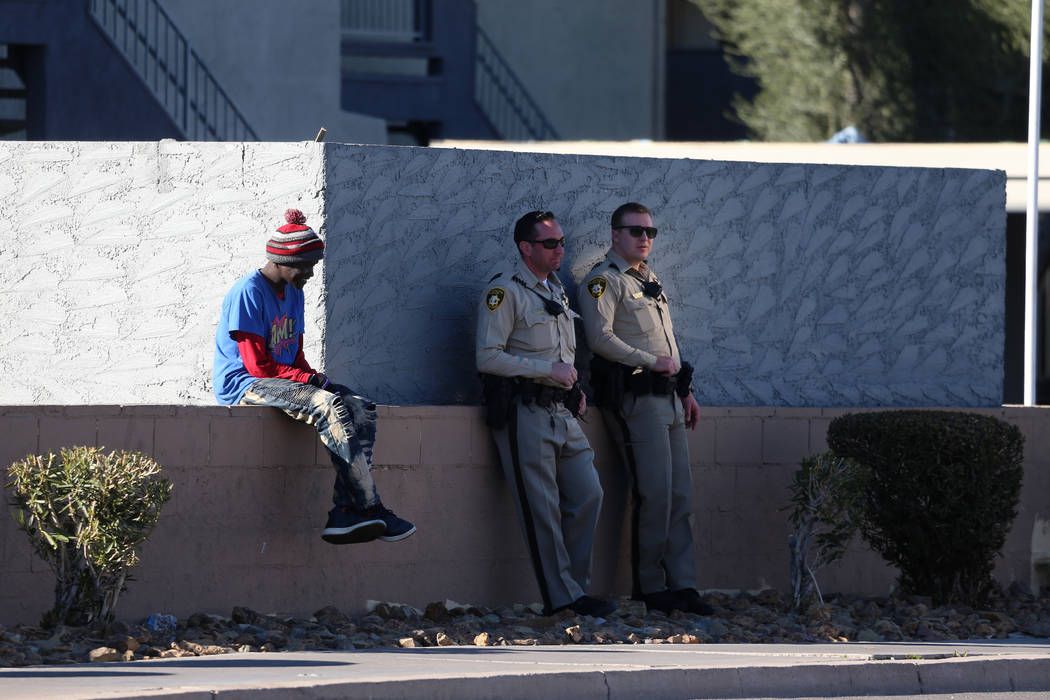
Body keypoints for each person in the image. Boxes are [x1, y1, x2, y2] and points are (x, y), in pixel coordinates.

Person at [213, 208, 415, 545]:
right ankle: (370, 506)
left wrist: (311, 376)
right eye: (304, 266)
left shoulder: (295, 291)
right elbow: (257, 366)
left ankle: (345, 511)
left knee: (360, 406)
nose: (309, 272)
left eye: (313, 265)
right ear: (280, 260)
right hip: (245, 384)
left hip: (281, 380)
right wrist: (310, 383)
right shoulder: (247, 292)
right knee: (326, 404)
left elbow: (293, 354)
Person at [476, 210, 615, 618]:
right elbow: (487, 356)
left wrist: (572, 387)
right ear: (526, 247)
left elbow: (560, 354)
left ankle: (575, 587)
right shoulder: (505, 292)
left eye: (562, 243)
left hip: (561, 410)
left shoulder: (555, 291)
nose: (560, 250)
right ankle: (563, 599)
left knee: (589, 494)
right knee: (541, 508)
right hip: (525, 412)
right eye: (550, 243)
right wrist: (546, 372)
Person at [577, 202, 711, 615]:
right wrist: (652, 363)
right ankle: (652, 586)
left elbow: (666, 343)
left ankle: (683, 583)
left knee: (679, 495)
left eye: (650, 232)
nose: (645, 238)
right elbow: (601, 340)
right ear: (615, 234)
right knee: (654, 492)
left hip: (668, 396)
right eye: (636, 231)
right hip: (637, 398)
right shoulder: (604, 281)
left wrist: (684, 390)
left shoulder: (649, 280)